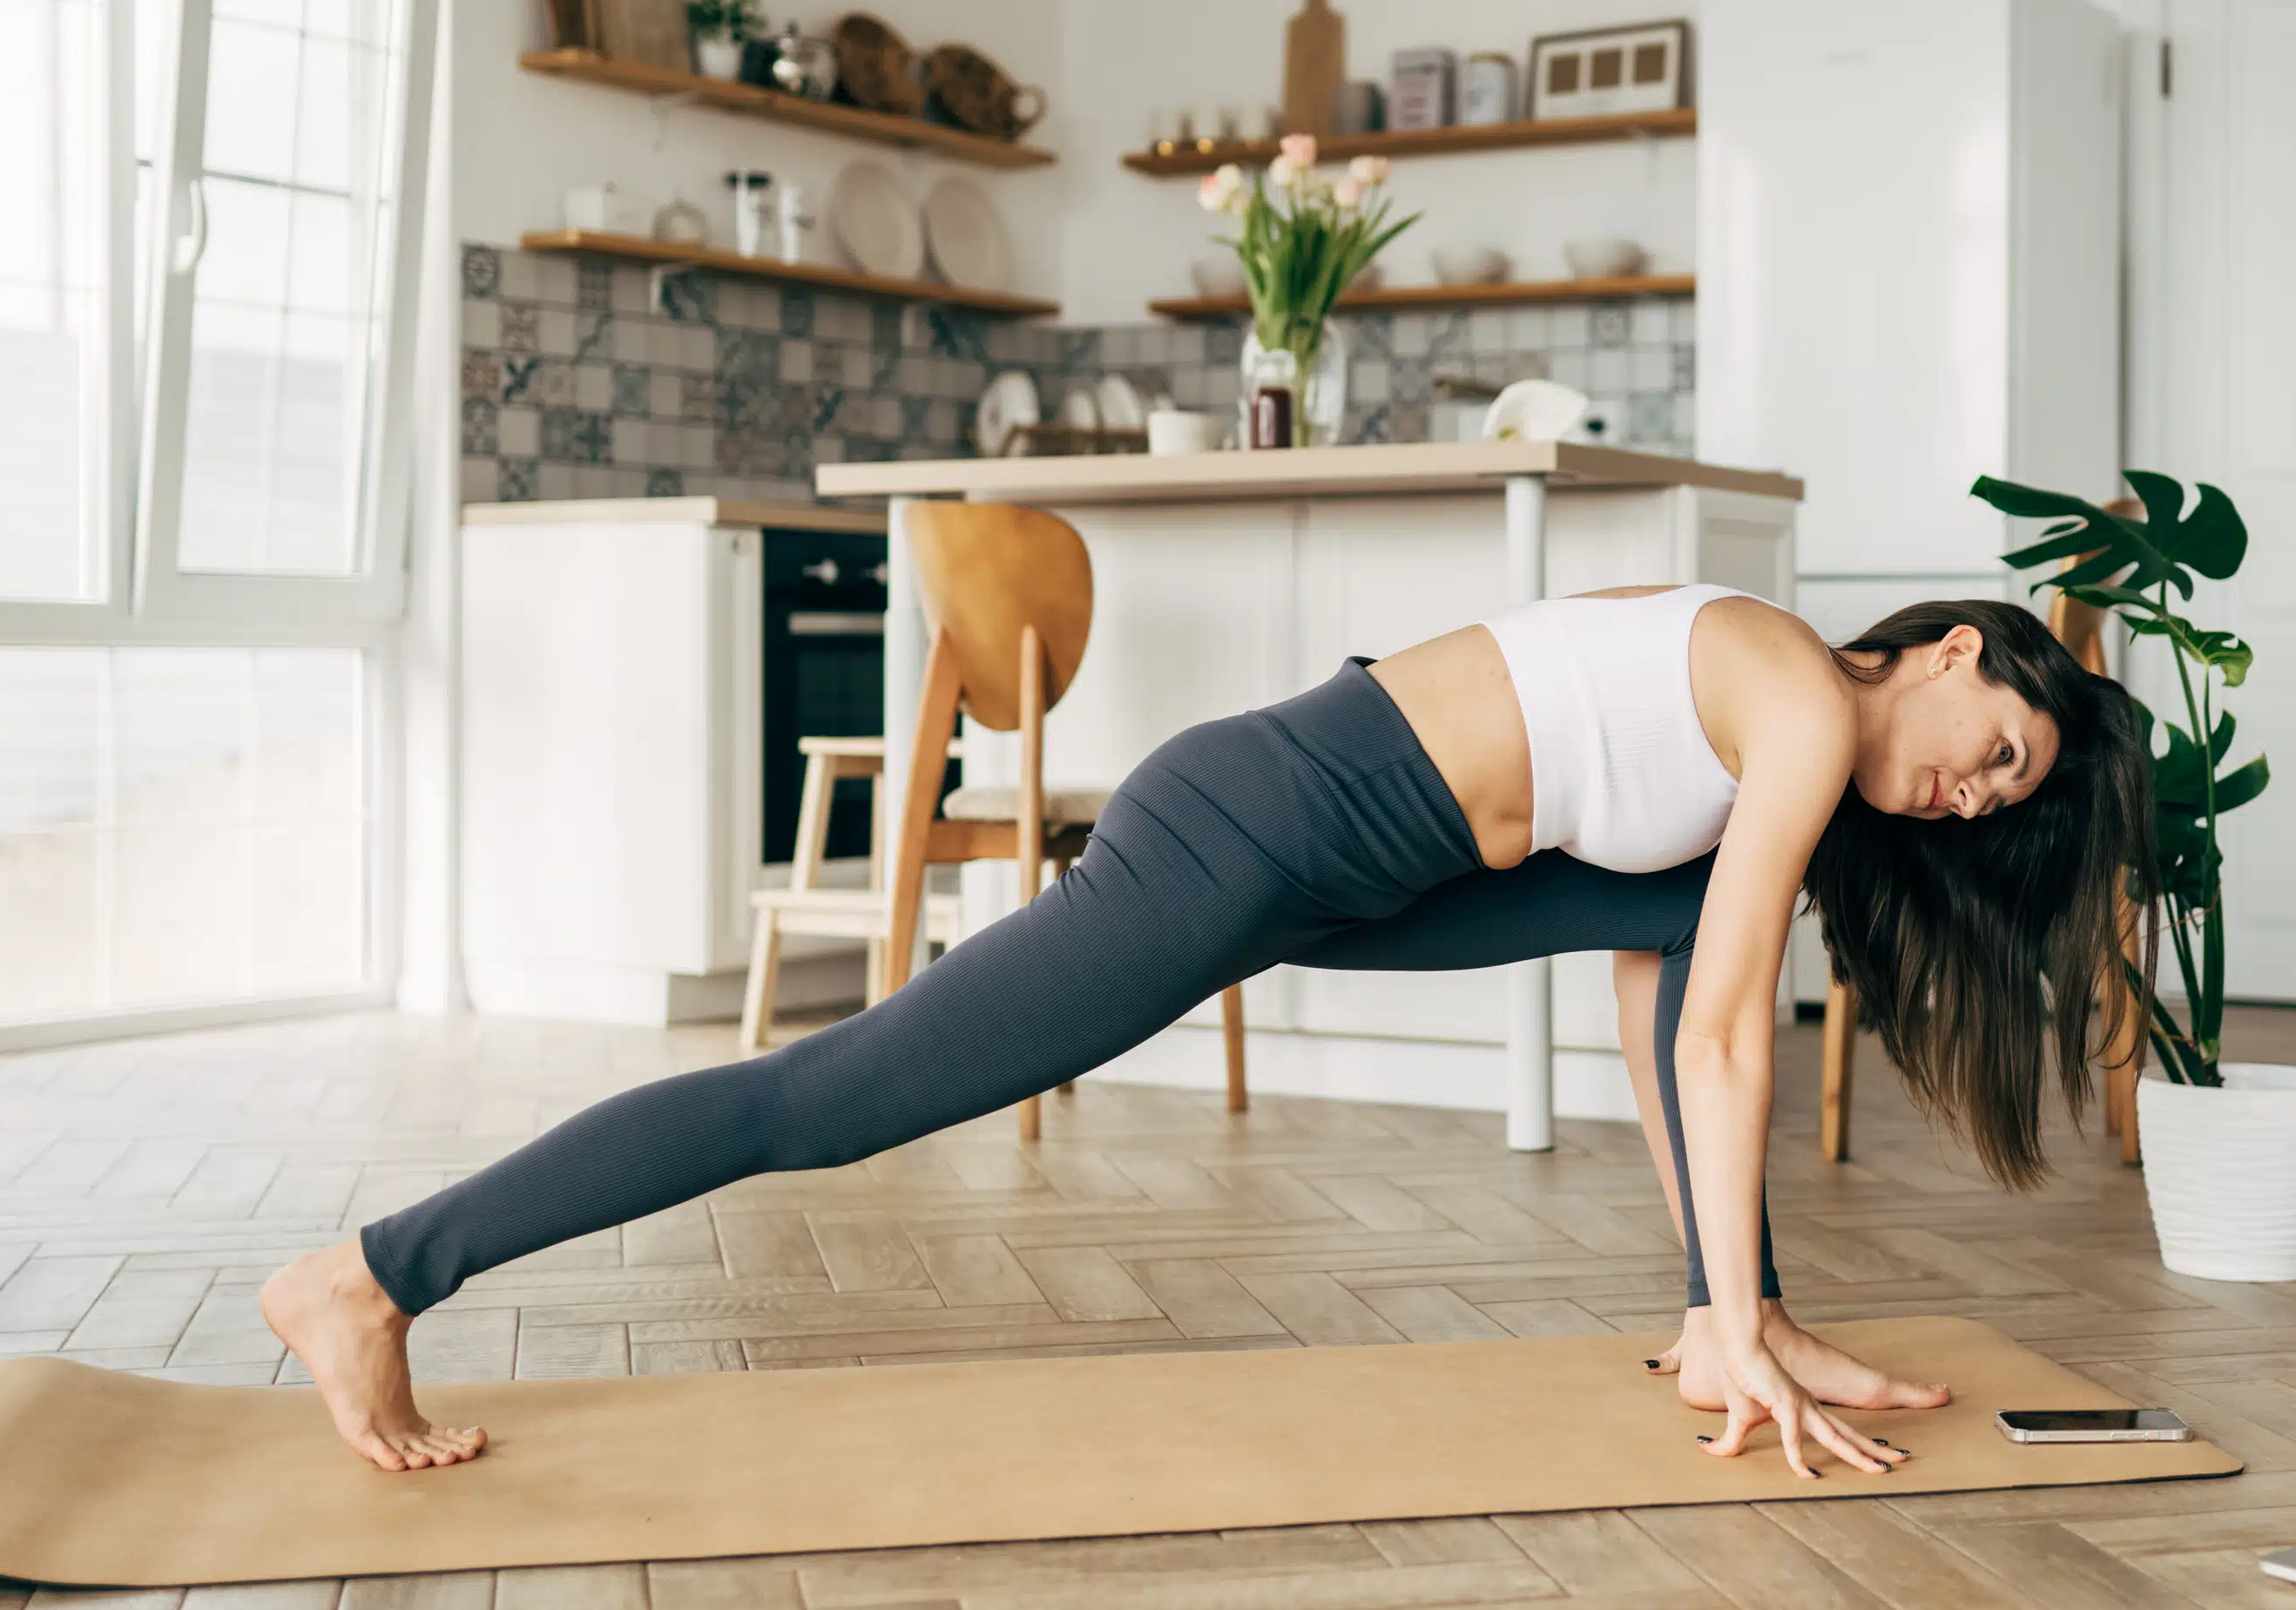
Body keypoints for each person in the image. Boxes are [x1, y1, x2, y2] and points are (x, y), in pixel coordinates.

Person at [264, 586, 2154, 1481]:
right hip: (1259, 826)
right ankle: (372, 1269)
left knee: (1656, 922)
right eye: (1995, 755)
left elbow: (1669, 1005)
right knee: (833, 1098)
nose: (1975, 795)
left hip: (1369, 866)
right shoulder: (1802, 698)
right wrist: (1745, 1319)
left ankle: (1705, 1310)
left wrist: (1728, 1300)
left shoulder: (1785, 750)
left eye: (2003, 805)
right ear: (1956, 652)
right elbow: (1739, 1032)